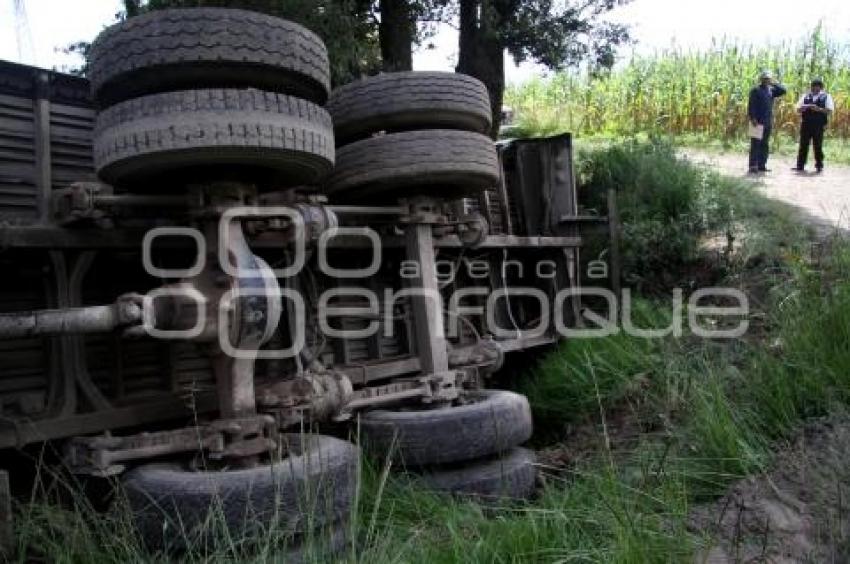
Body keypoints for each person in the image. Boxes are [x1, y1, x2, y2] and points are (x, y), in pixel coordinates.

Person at [747, 70, 787, 174]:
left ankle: (762, 165)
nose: (766, 80)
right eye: (765, 79)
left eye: (768, 79)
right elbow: (751, 105)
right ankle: (753, 166)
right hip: (757, 121)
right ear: (761, 79)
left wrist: (773, 83)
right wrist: (753, 118)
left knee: (765, 144)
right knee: (755, 144)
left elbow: (783, 90)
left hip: (767, 122)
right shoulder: (755, 90)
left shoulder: (771, 90)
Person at [793, 78, 835, 173]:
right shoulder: (805, 96)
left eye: (817, 86)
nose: (815, 88)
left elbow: (830, 111)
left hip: (819, 125)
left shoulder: (826, 96)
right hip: (806, 124)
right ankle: (800, 165)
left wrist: (818, 109)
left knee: (818, 145)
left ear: (821, 87)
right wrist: (803, 108)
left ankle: (819, 165)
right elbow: (797, 109)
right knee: (803, 145)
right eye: (813, 86)